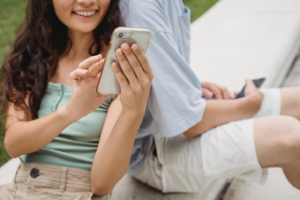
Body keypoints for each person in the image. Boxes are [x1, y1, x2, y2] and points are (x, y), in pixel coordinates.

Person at [118, 0, 300, 193]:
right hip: (154, 152)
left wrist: (184, 85)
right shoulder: (140, 8)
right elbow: (190, 123)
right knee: (291, 137)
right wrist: (251, 105)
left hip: (172, 121)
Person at [0, 0, 154, 199]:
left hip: (79, 193)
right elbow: (13, 145)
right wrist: (69, 113)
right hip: (19, 188)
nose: (87, 1)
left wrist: (134, 110)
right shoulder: (32, 55)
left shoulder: (118, 68)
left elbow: (101, 184)